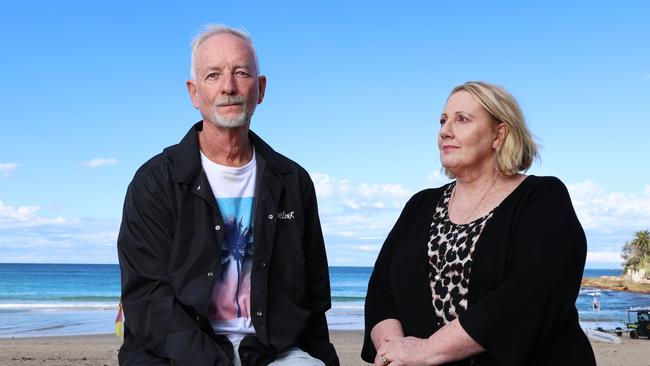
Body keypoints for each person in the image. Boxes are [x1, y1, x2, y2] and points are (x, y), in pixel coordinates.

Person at [117, 24, 339, 366]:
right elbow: (147, 298)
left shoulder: (293, 182)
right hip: (175, 355)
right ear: (193, 93)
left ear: (260, 88)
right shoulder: (155, 181)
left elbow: (312, 296)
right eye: (213, 75)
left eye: (241, 72)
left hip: (270, 352)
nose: (229, 86)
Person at [362, 81, 596, 365]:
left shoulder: (542, 198)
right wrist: (393, 351)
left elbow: (530, 295)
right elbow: (381, 289)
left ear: (499, 134)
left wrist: (426, 351)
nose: (445, 131)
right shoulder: (420, 204)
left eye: (462, 119)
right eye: (443, 120)